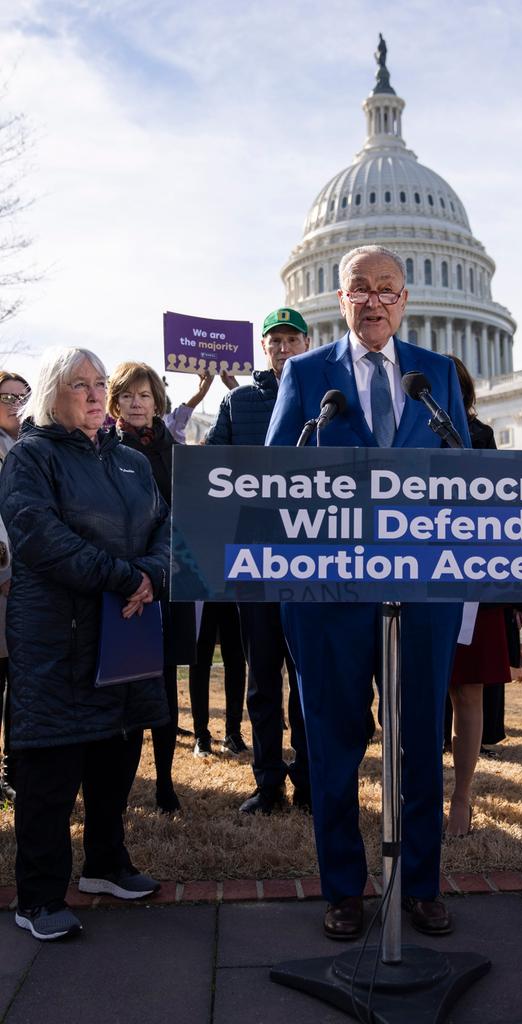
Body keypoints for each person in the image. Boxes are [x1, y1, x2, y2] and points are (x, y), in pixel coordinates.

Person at [266, 245, 470, 939]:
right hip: (328, 592)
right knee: (333, 735)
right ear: (341, 299)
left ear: (405, 299)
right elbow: (274, 477)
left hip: (422, 588)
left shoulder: (435, 374)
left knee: (418, 735)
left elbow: (464, 482)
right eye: (362, 288)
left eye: (387, 288)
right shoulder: (306, 374)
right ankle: (343, 888)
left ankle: (419, 883)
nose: (375, 300)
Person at [0, 347, 168, 941]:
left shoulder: (132, 462)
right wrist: (127, 577)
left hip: (124, 630)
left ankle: (105, 864)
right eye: (81, 386)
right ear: (53, 394)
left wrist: (153, 572)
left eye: (101, 384)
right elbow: (39, 536)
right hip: (58, 634)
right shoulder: (30, 457)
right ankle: (39, 897)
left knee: (116, 754)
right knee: (51, 769)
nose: (97, 396)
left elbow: (164, 526)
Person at [206, 308, 311, 814]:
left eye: (293, 339)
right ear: (264, 348)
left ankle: (309, 779)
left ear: (306, 343)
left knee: (308, 677)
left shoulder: (326, 399)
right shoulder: (238, 402)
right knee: (262, 676)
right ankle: (268, 781)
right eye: (276, 340)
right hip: (256, 556)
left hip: (313, 558)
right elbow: (211, 470)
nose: (284, 348)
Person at [107, 362, 199, 814]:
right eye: (127, 396)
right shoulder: (107, 449)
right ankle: (119, 787)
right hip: (128, 581)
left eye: (144, 395)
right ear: (116, 403)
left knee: (165, 684)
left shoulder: (175, 447)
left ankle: (165, 782)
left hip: (170, 577)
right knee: (126, 684)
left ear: (157, 400)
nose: (137, 403)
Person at [443, 355, 522, 837]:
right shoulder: (400, 438)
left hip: (470, 579)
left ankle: (462, 796)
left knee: (467, 692)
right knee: (412, 694)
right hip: (412, 578)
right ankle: (416, 794)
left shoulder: (480, 437)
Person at [0, 370, 30, 802]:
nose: (15, 403)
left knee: (17, 679)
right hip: (3, 577)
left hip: (26, 582)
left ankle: (12, 768)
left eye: (22, 396)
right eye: (6, 396)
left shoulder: (31, 448)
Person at [187, 602, 247, 757]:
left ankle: (233, 734)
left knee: (236, 662)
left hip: (233, 591)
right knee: (199, 662)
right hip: (203, 592)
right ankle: (201, 736)